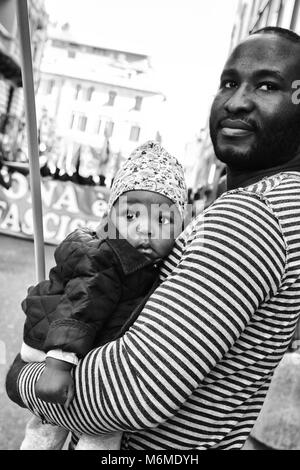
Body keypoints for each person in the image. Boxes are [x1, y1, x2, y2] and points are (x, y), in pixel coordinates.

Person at [6, 26, 300, 450]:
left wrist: (22, 376)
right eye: (229, 83)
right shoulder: (272, 204)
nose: (236, 101)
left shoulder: (251, 217)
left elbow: (130, 391)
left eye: (268, 85)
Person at [13, 140, 187, 450]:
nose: (145, 230)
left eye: (162, 220)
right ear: (109, 220)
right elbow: (82, 305)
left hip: (82, 353)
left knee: (86, 432)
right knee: (61, 432)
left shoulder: (145, 265)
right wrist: (58, 364)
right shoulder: (106, 257)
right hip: (56, 350)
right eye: (131, 217)